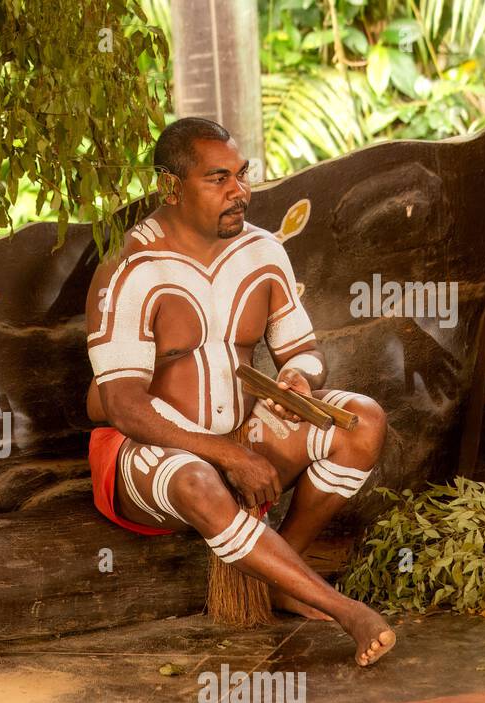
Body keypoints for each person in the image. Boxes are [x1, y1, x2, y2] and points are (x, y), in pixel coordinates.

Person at [85, 118, 396, 666]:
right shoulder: (130, 268)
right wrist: (227, 453)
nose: (240, 192)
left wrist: (298, 378)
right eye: (218, 178)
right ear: (171, 187)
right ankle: (343, 609)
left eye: (242, 175)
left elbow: (303, 352)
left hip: (242, 435)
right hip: (147, 453)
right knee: (199, 477)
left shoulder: (263, 252)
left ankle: (283, 574)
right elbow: (123, 406)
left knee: (362, 420)